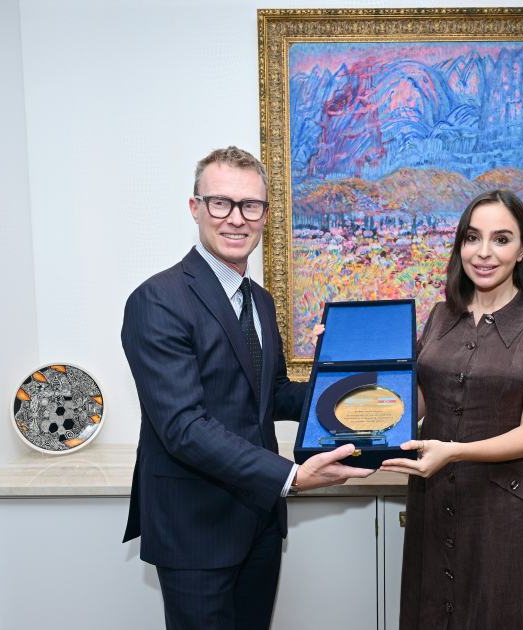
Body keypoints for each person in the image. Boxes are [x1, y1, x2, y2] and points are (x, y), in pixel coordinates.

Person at [121, 146, 372, 630]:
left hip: (259, 519)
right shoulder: (158, 300)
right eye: (221, 203)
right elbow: (184, 427)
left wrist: (344, 381)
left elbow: (271, 393)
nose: (236, 219)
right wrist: (291, 476)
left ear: (265, 215)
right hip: (195, 528)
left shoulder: (260, 299)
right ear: (195, 208)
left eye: (250, 206)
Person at [380, 189, 523, 630]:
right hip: (432, 503)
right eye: (473, 238)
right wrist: (343, 359)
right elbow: (415, 404)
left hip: (497, 511)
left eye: (501, 239)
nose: (483, 252)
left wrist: (453, 452)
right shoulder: (440, 315)